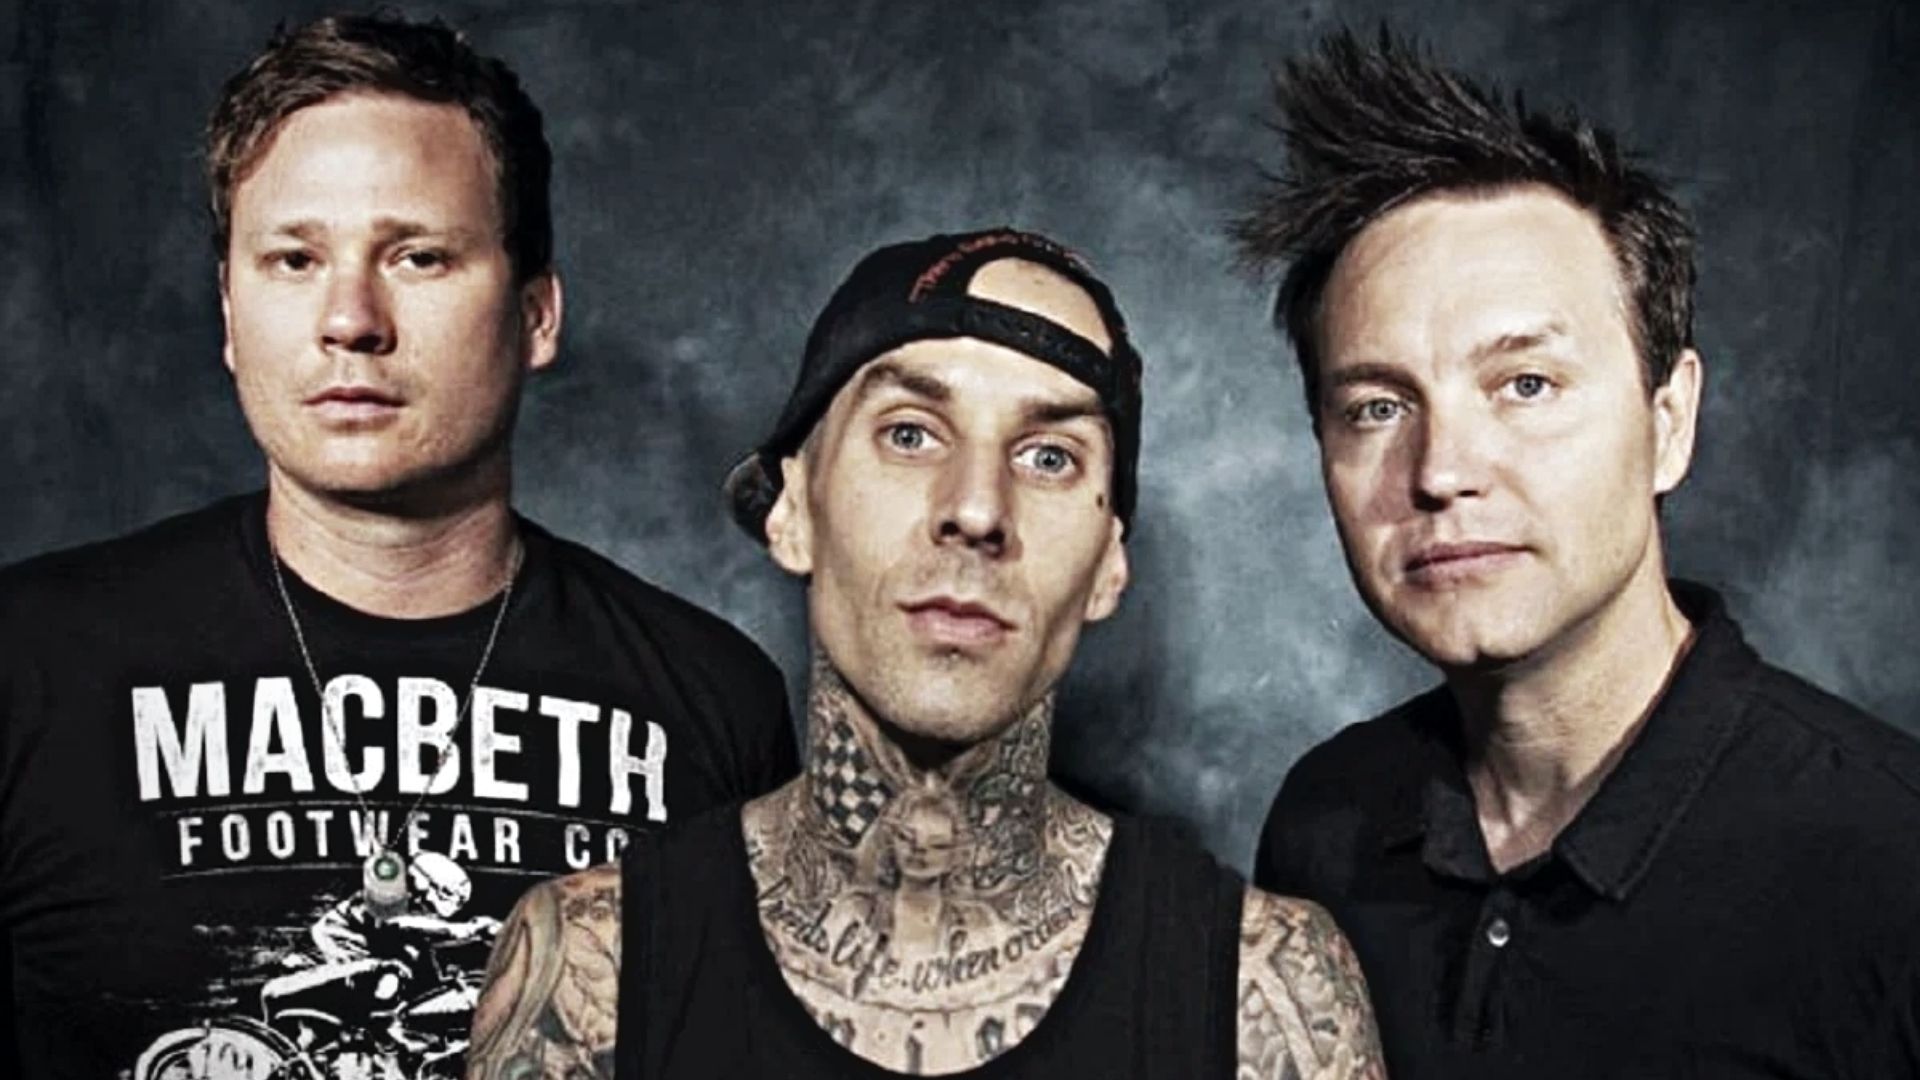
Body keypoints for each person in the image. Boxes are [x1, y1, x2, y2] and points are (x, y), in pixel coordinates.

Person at [0, 14, 798, 1078]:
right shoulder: (31, 663)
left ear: (536, 314)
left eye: (418, 256)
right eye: (294, 259)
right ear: (230, 313)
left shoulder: (712, 703)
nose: (350, 320)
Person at [463, 228, 1386, 1078]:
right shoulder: (594, 967)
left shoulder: (1261, 991)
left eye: (1050, 456)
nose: (977, 508)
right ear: (793, 510)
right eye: (909, 434)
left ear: (1109, 565)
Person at [1233, 28, 1920, 1079]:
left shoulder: (1887, 860)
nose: (1441, 471)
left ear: (1669, 421)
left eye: (1526, 386)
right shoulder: (1326, 823)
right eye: (1377, 406)